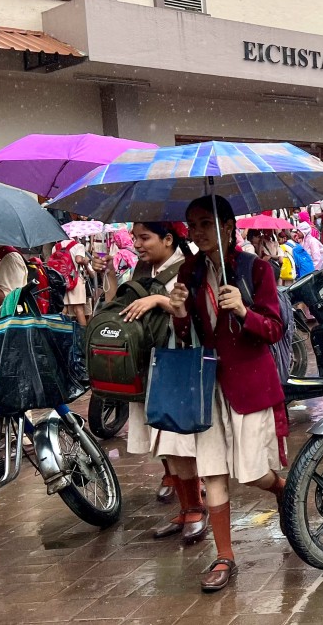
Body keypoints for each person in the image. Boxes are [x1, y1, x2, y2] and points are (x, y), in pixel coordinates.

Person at [169, 195, 288, 592]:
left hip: (250, 383)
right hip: (207, 385)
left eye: (205, 223)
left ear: (227, 227)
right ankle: (225, 557)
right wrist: (180, 313)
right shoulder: (189, 271)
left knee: (253, 471)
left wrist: (242, 310)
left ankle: (283, 488)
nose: (197, 232)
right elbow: (187, 336)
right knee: (213, 471)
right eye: (192, 224)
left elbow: (274, 329)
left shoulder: (256, 269)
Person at [91, 222, 204, 539]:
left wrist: (158, 301)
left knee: (178, 442)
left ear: (168, 239)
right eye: (136, 238)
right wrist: (109, 276)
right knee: (163, 444)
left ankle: (196, 507)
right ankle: (184, 510)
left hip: (176, 363)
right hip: (146, 364)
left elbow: (192, 312)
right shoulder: (141, 268)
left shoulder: (187, 267)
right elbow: (119, 306)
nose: (137, 244)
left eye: (145, 238)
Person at [54, 237, 90, 326]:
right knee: (79, 310)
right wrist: (85, 262)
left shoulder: (55, 247)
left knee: (64, 309)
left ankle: (60, 332)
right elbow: (78, 260)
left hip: (62, 280)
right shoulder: (78, 246)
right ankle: (83, 334)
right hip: (75, 279)